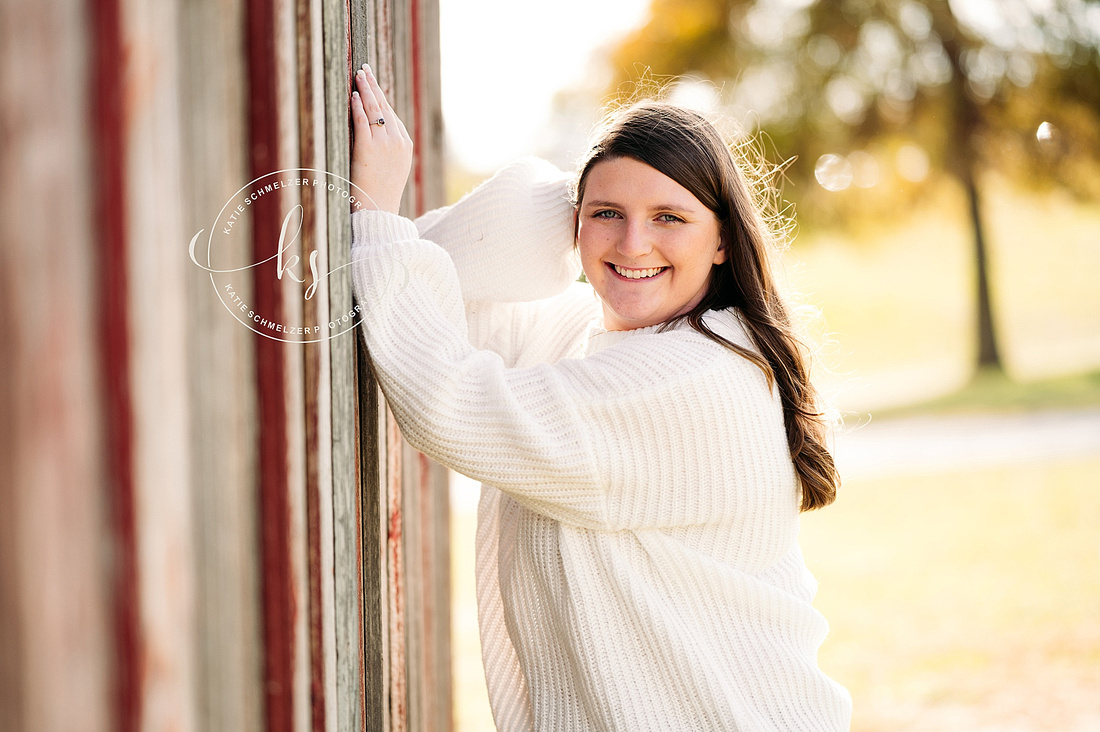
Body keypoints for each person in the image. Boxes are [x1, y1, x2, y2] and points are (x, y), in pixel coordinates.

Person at [348, 63, 852, 731]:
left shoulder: (691, 381)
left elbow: (448, 399)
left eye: (669, 217)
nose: (633, 243)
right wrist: (558, 198)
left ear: (723, 238)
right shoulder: (591, 337)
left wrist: (376, 214)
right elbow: (449, 297)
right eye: (606, 214)